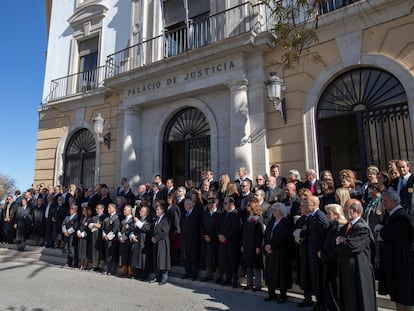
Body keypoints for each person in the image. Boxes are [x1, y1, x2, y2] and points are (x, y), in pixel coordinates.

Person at [336, 199, 377, 311]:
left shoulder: (362, 227)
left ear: (353, 210)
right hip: (348, 269)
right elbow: (337, 243)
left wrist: (343, 241)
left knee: (361, 300)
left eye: (345, 209)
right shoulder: (346, 227)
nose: (343, 211)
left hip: (359, 270)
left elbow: (351, 246)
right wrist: (342, 240)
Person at [379, 190, 414, 311]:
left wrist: (381, 230)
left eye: (385, 201)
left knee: (403, 291)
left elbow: (386, 233)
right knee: (398, 292)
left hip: (400, 259)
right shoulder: (393, 215)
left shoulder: (400, 216)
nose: (384, 204)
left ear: (394, 201)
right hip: (395, 257)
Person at [319, 204, 347, 311]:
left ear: (336, 214)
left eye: (328, 213)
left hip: (335, 265)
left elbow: (336, 247)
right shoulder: (332, 225)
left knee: (335, 292)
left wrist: (324, 255)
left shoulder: (339, 227)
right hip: (330, 263)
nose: (326, 215)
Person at [263, 202, 292, 303]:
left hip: (280, 251)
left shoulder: (286, 223)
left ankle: (283, 295)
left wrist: (272, 245)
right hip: (270, 251)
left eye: (274, 210)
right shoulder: (271, 222)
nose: (273, 212)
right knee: (270, 272)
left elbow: (283, 237)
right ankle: (271, 293)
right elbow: (266, 234)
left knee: (281, 273)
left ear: (280, 211)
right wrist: (266, 245)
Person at [306, 195, 330, 311]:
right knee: (315, 278)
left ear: (314, 204)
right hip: (313, 252)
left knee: (319, 279)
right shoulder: (313, 216)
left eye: (308, 203)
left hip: (318, 254)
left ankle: (322, 304)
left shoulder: (320, 216)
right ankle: (319, 302)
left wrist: (322, 250)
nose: (306, 205)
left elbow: (326, 235)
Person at [216, 196, 241, 287]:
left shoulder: (236, 214)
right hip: (222, 242)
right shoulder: (222, 215)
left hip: (232, 242)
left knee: (233, 261)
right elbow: (217, 227)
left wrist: (226, 236)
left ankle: (234, 279)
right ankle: (227, 278)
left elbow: (235, 228)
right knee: (224, 260)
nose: (224, 205)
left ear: (231, 204)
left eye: (226, 203)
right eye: (224, 203)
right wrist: (219, 235)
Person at [241, 199, 264, 292]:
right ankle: (249, 283)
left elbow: (260, 233)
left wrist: (258, 246)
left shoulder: (258, 218)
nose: (247, 207)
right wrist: (242, 244)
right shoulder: (246, 218)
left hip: (254, 245)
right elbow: (243, 233)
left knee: (256, 265)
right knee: (248, 264)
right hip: (247, 245)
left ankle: (258, 284)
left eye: (248, 205)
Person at [180, 199, 202, 281]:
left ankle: (194, 274)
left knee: (193, 257)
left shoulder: (196, 213)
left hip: (194, 239)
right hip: (185, 239)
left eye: (186, 204)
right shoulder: (184, 213)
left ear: (190, 205)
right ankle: (187, 273)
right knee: (186, 257)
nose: (184, 206)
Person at [200, 197, 220, 282]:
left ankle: (218, 276)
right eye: (208, 203)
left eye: (211, 203)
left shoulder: (219, 215)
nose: (210, 205)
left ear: (215, 204)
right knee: (208, 257)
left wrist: (211, 237)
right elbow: (201, 226)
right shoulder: (205, 214)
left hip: (216, 240)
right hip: (206, 240)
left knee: (217, 258)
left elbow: (219, 228)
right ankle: (208, 274)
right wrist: (205, 235)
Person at [151, 200, 171, 285]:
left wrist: (156, 238)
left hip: (163, 241)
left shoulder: (166, 219)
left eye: (158, 210)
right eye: (156, 209)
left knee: (163, 259)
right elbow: (153, 229)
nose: (156, 211)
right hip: (155, 241)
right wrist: (152, 237)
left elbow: (165, 231)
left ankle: (164, 277)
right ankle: (157, 276)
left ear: (162, 210)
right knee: (156, 258)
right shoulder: (156, 219)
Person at [130, 205, 152, 281]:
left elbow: (146, 228)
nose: (140, 212)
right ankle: (137, 273)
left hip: (144, 242)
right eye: (140, 211)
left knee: (143, 259)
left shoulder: (149, 220)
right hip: (137, 241)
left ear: (146, 213)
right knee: (136, 258)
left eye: (142, 211)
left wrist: (138, 222)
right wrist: (132, 236)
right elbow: (133, 229)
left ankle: (144, 275)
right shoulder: (139, 219)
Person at [102, 203, 120, 275]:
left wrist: (108, 236)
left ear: (114, 209)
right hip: (106, 238)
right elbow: (103, 228)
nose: (108, 209)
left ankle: (112, 270)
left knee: (112, 254)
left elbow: (115, 228)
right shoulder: (106, 218)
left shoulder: (116, 218)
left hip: (113, 239)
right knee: (107, 254)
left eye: (109, 208)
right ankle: (108, 269)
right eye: (108, 208)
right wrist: (104, 235)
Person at [118, 205, 134, 277]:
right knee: (124, 255)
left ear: (130, 211)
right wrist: (120, 236)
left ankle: (130, 272)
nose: (124, 211)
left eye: (125, 210)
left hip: (129, 241)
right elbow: (120, 229)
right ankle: (124, 270)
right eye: (124, 210)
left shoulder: (132, 220)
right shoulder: (123, 220)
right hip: (123, 241)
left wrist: (126, 237)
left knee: (129, 256)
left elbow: (132, 230)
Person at [90, 204, 106, 272]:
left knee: (101, 250)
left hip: (101, 235)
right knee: (95, 250)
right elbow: (90, 224)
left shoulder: (105, 217)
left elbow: (103, 225)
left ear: (102, 209)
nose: (97, 210)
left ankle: (101, 266)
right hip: (94, 235)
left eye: (98, 208)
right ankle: (95, 266)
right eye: (96, 208)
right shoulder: (94, 217)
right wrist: (94, 225)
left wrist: (99, 226)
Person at [166, 192, 181, 266]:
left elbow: (176, 220)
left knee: (174, 247)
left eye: (169, 198)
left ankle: (174, 262)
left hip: (173, 231)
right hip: (169, 230)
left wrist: (177, 230)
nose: (168, 199)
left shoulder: (174, 208)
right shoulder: (168, 207)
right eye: (168, 198)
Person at [77, 206, 92, 270]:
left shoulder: (90, 219)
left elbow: (89, 228)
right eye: (83, 210)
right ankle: (81, 263)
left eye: (85, 210)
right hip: (80, 235)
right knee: (81, 250)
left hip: (86, 237)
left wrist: (83, 234)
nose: (83, 211)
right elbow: (79, 226)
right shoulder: (82, 218)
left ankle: (85, 265)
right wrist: (78, 232)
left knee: (85, 251)